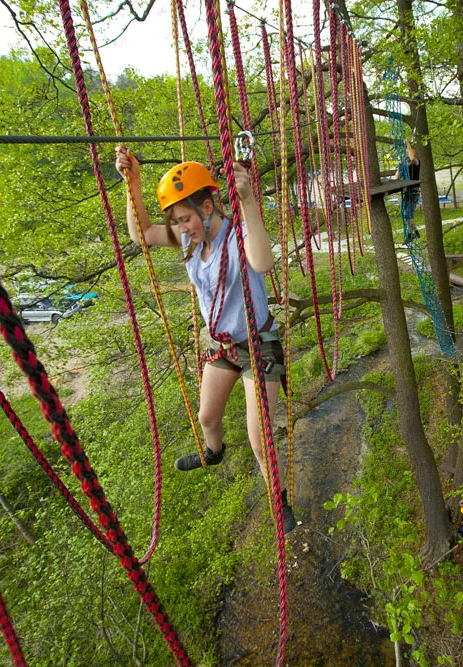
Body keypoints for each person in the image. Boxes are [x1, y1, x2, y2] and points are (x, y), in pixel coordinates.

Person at [114, 146, 296, 532]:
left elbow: (263, 262)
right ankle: (213, 453)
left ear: (208, 207)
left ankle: (279, 501)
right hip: (223, 347)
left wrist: (247, 200)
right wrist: (132, 183)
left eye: (185, 218)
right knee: (207, 416)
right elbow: (141, 234)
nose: (181, 227)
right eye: (176, 221)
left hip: (257, 346)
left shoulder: (237, 237)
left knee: (260, 442)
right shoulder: (189, 242)